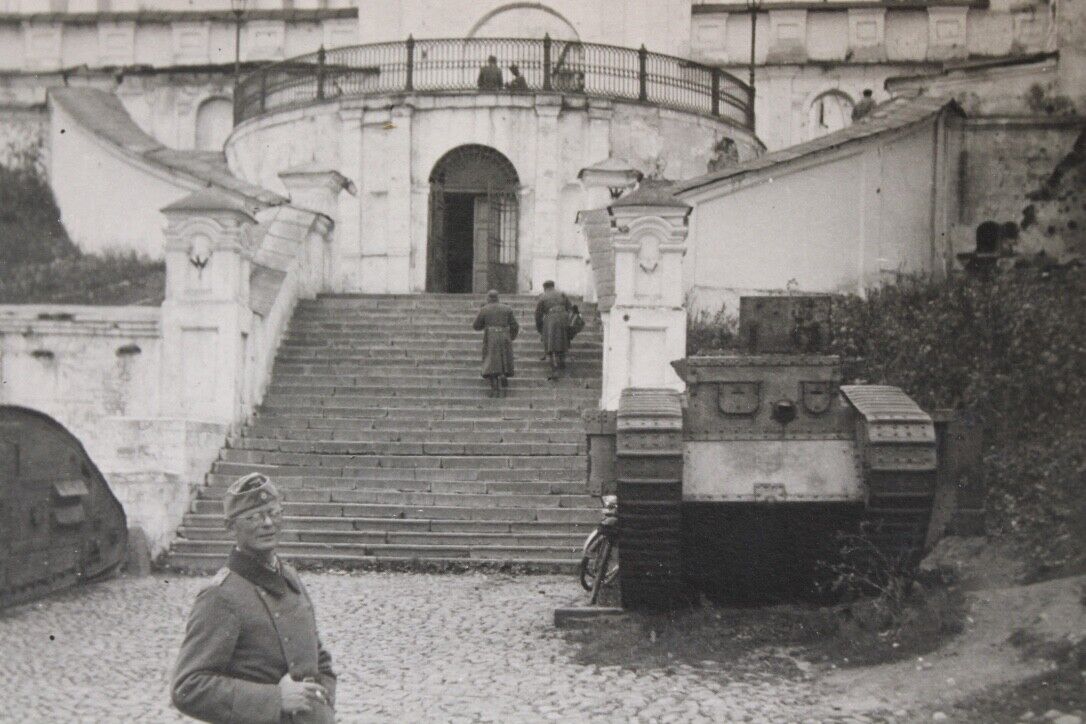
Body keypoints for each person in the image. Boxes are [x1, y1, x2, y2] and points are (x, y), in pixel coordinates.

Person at [172, 473, 336, 724]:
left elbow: (318, 657)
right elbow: (188, 687)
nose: (268, 523)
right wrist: (274, 700)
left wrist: (323, 706)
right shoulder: (220, 595)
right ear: (230, 527)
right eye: (254, 517)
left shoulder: (289, 577)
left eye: (274, 512)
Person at [473, 289, 519, 397]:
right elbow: (515, 325)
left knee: (491, 361)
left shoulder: (485, 309)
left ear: (488, 298)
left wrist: (485, 325)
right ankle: (503, 374)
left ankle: (495, 389)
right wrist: (511, 337)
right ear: (498, 298)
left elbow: (476, 326)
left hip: (491, 336)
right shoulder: (507, 308)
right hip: (504, 335)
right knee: (504, 358)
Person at [535, 280, 571, 380]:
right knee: (562, 339)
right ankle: (562, 361)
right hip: (564, 318)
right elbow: (570, 307)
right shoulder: (562, 294)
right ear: (553, 286)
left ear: (545, 288)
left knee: (550, 344)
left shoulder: (543, 296)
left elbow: (538, 315)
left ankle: (554, 370)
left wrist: (540, 328)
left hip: (551, 319)